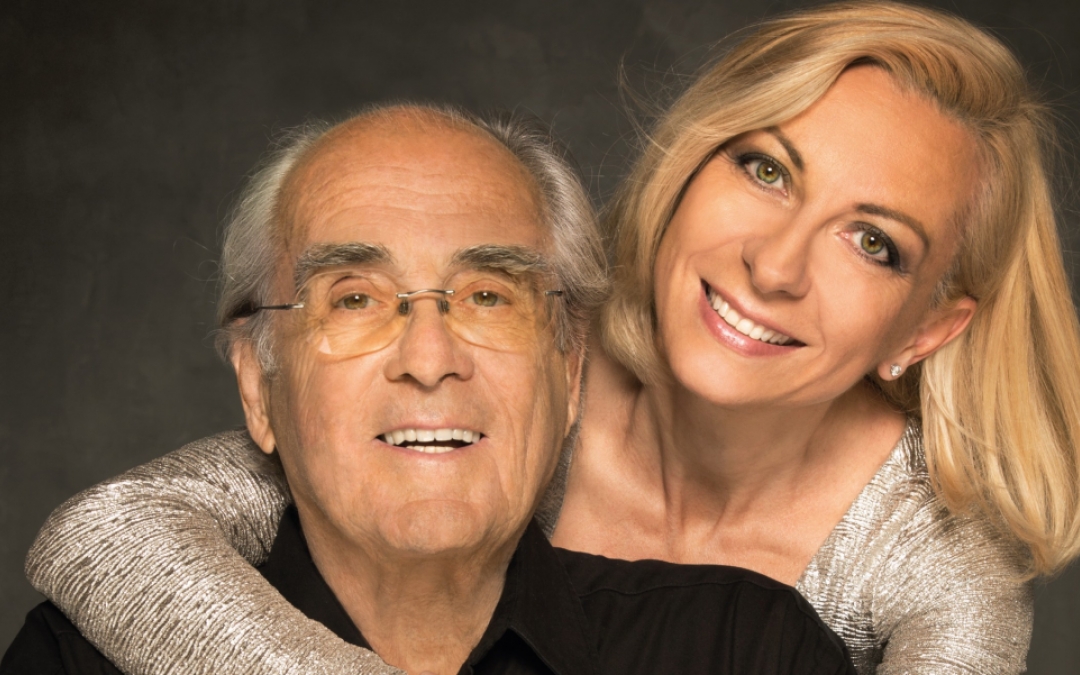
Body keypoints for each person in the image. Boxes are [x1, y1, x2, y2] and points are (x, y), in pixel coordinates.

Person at [19, 2, 1080, 674]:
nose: (776, 264)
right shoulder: (515, 356)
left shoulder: (937, 571)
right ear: (689, 165)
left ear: (927, 326)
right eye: (766, 169)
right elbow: (109, 535)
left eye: (873, 242)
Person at [2, 105, 859, 675]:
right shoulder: (81, 661)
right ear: (259, 388)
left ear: (568, 374)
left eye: (489, 295)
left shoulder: (743, 650)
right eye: (355, 300)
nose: (429, 355)